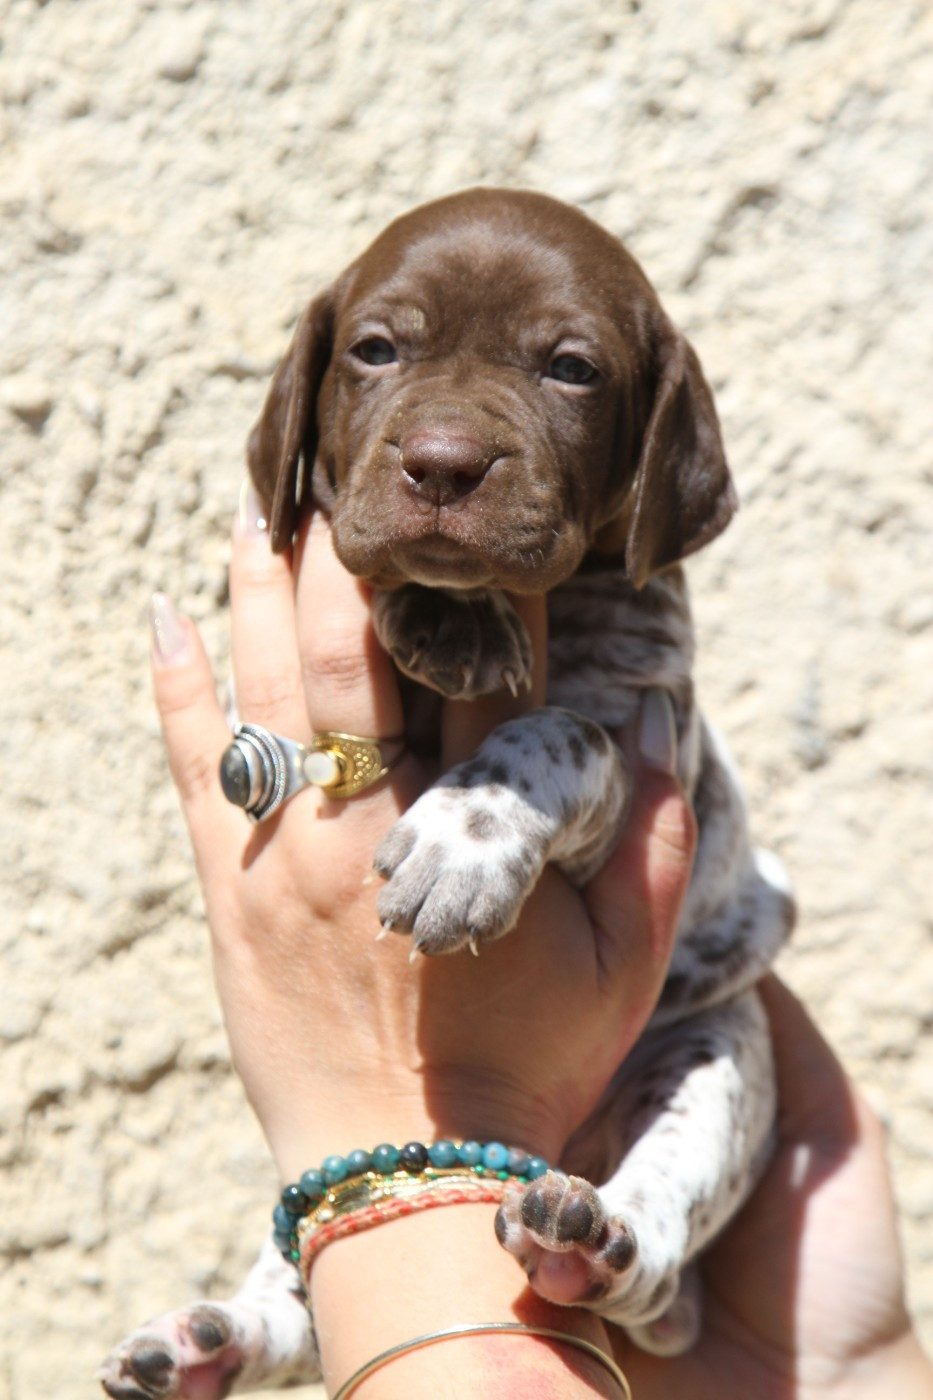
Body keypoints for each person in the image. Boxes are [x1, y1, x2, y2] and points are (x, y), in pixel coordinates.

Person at [147, 489, 933, 1399]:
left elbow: (613, 799)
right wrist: (833, 1372)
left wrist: (395, 1121)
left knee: (715, 1052)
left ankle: (634, 1242)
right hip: (756, 1352)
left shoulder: (626, 592)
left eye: (569, 372)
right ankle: (276, 1317)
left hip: (666, 1047)